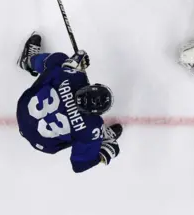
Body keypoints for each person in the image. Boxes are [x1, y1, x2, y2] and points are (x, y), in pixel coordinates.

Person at [16, 33, 122, 173]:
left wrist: (73, 64)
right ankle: (100, 140)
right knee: (87, 136)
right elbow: (79, 166)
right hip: (43, 143)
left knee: (58, 60)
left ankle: (28, 61)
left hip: (23, 109)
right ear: (96, 114)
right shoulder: (91, 127)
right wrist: (103, 154)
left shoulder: (71, 76)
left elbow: (69, 65)